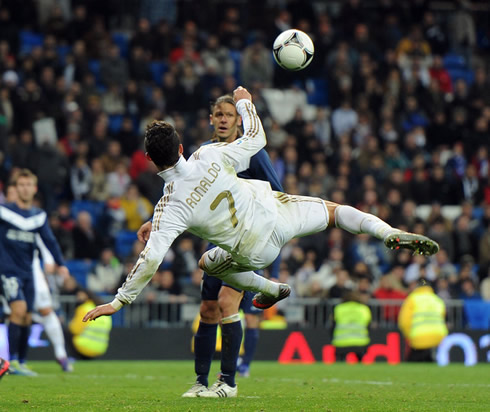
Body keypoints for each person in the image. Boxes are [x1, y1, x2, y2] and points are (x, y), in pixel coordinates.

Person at [83, 86, 439, 394]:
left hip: (253, 251)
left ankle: (265, 292)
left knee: (207, 263)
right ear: (180, 147)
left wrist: (118, 302)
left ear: (148, 160)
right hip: (278, 213)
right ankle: (387, 231)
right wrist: (246, 103)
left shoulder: (169, 207)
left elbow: (151, 259)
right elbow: (257, 140)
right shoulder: (208, 154)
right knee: (337, 212)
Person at [179, 95, 284, 397]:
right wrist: (153, 219)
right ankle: (200, 382)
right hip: (218, 244)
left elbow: (278, 196)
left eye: (229, 114)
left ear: (239, 120)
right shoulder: (205, 154)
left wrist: (270, 255)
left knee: (228, 303)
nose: (224, 119)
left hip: (248, 243)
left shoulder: (251, 153)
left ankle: (228, 382)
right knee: (208, 309)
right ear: (210, 119)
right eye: (218, 114)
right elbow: (183, 195)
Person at [0, 170, 70, 376]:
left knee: (27, 317)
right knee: (18, 310)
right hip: (8, 271)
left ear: (34, 188)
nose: (24, 188)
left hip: (29, 272)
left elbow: (50, 241)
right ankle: (11, 362)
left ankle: (21, 361)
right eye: (20, 184)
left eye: (28, 184)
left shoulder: (38, 216)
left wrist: (61, 263)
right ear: (15, 188)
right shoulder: (4, 212)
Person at [398, 280, 448, 362]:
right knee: (430, 361)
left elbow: (404, 321)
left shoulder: (412, 299)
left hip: (418, 337)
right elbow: (443, 318)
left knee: (412, 365)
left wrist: (408, 335)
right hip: (438, 336)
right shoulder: (437, 300)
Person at [68, 287, 112, 359]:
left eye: (79, 296)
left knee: (65, 331)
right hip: (101, 348)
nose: (78, 298)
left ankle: (71, 357)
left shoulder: (84, 308)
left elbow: (75, 330)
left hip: (83, 346)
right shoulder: (104, 310)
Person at [331, 291, 371, 361]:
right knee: (361, 363)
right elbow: (368, 325)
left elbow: (333, 325)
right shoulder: (363, 309)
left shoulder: (339, 308)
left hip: (341, 342)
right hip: (360, 342)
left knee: (340, 363)